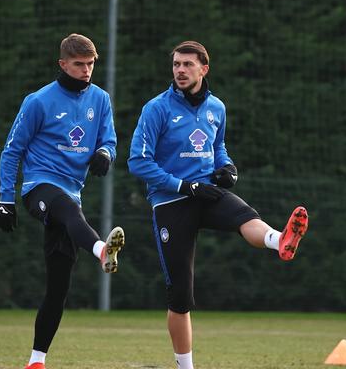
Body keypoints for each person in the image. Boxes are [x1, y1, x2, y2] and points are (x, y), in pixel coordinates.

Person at [127, 40, 309, 369]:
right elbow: (138, 163)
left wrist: (228, 168)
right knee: (180, 297)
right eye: (176, 65)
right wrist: (184, 185)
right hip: (172, 202)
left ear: (204, 69)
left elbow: (218, 147)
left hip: (208, 193)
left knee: (244, 215)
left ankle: (279, 239)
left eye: (187, 64)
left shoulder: (217, 108)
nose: (180, 70)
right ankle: (186, 367)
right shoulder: (157, 108)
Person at [0, 33, 124, 369]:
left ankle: (36, 361)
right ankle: (100, 250)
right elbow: (13, 151)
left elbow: (108, 138)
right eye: (79, 64)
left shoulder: (100, 99)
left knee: (58, 287)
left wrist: (104, 153)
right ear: (63, 64)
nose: (86, 70)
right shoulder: (38, 101)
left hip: (71, 194)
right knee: (68, 210)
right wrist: (5, 201)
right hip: (39, 188)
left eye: (91, 64)